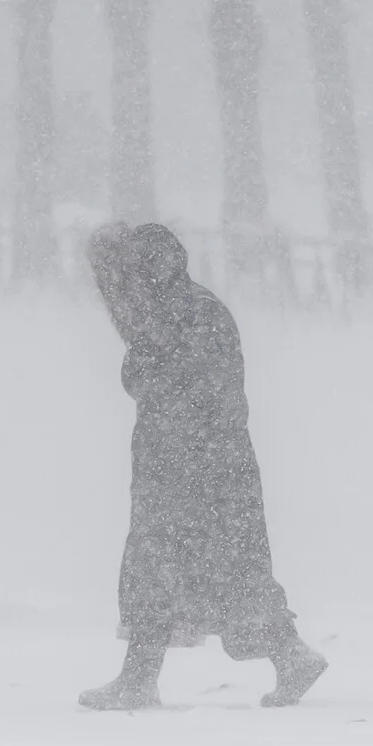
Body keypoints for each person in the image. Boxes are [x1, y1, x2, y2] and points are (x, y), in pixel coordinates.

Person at [81, 222, 328, 710]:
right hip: (203, 465)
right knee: (217, 567)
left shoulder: (182, 316)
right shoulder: (190, 309)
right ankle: (282, 655)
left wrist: (184, 449)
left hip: (190, 466)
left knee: (173, 565)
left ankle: (143, 678)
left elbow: (163, 384)